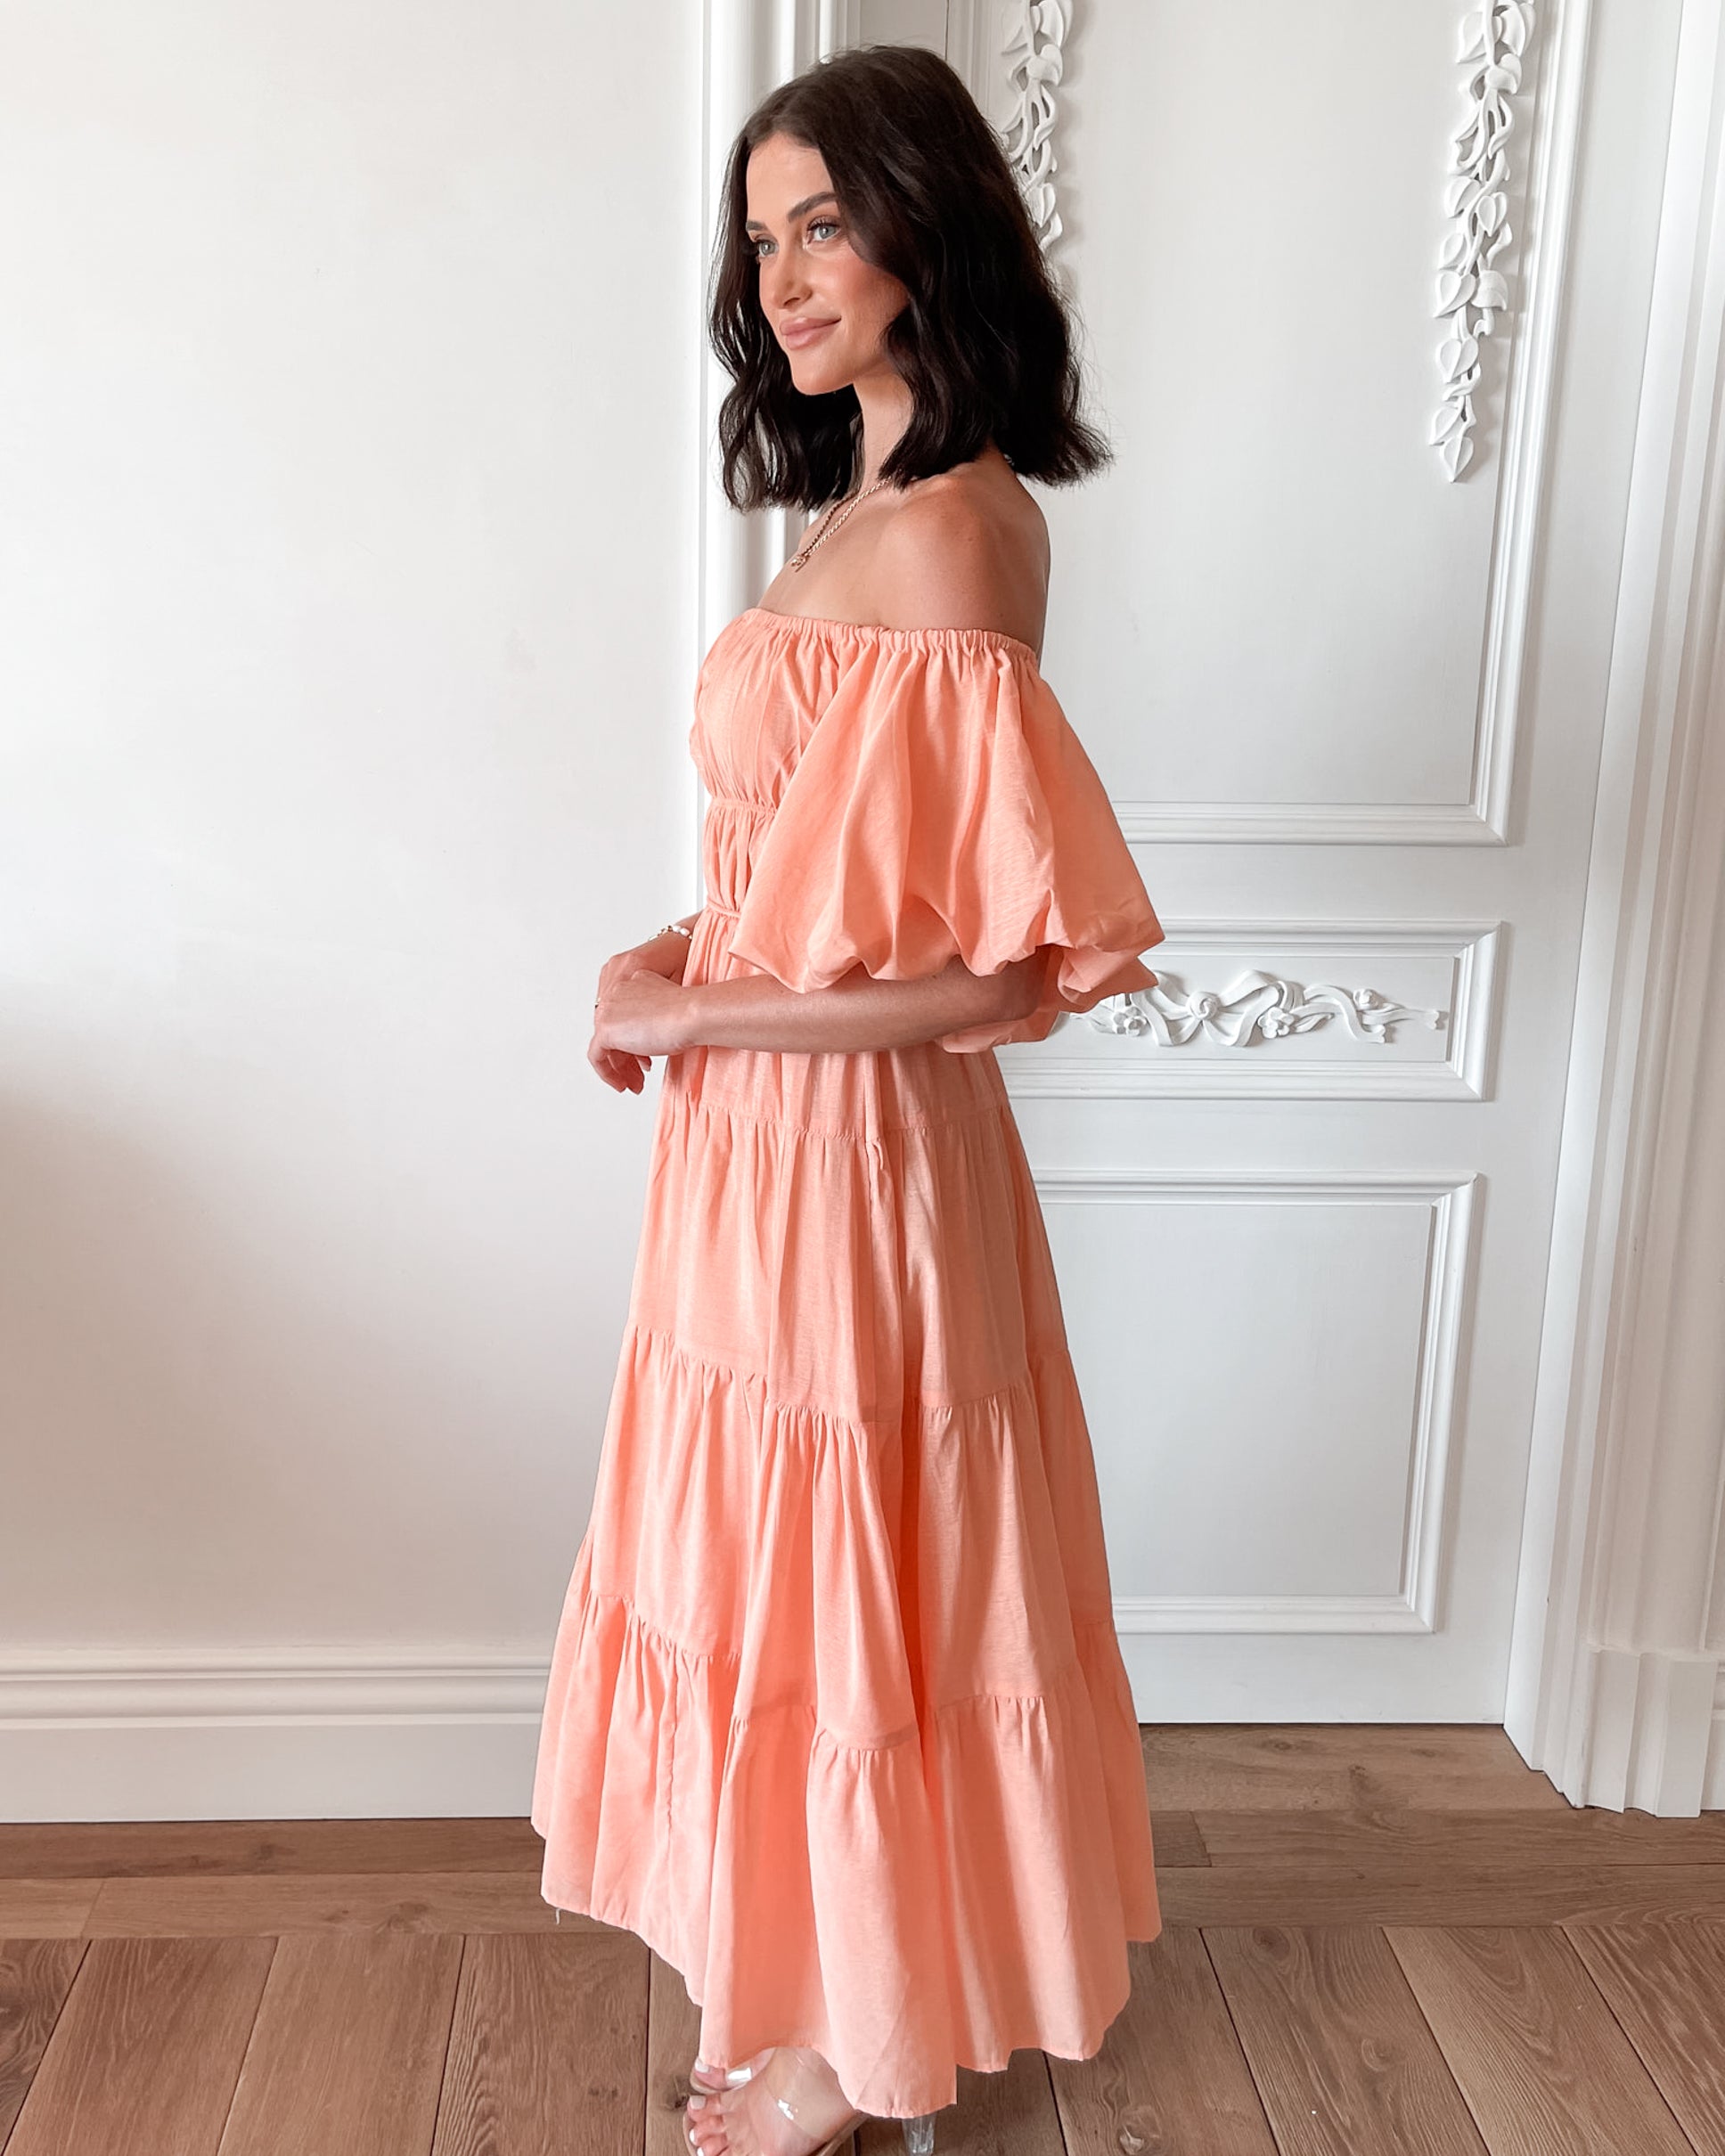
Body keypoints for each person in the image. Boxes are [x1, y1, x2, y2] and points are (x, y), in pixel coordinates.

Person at [530, 42, 1165, 2156]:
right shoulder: (851, 502)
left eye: (822, 222)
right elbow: (815, 886)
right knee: (776, 1574)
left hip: (858, 1165)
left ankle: (843, 2050)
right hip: (750, 1155)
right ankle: (801, 1976)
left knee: (855, 1567)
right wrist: (667, 959)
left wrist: (707, 1022)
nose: (785, 275)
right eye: (760, 234)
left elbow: (990, 966)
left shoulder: (963, 532)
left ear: (923, 226)